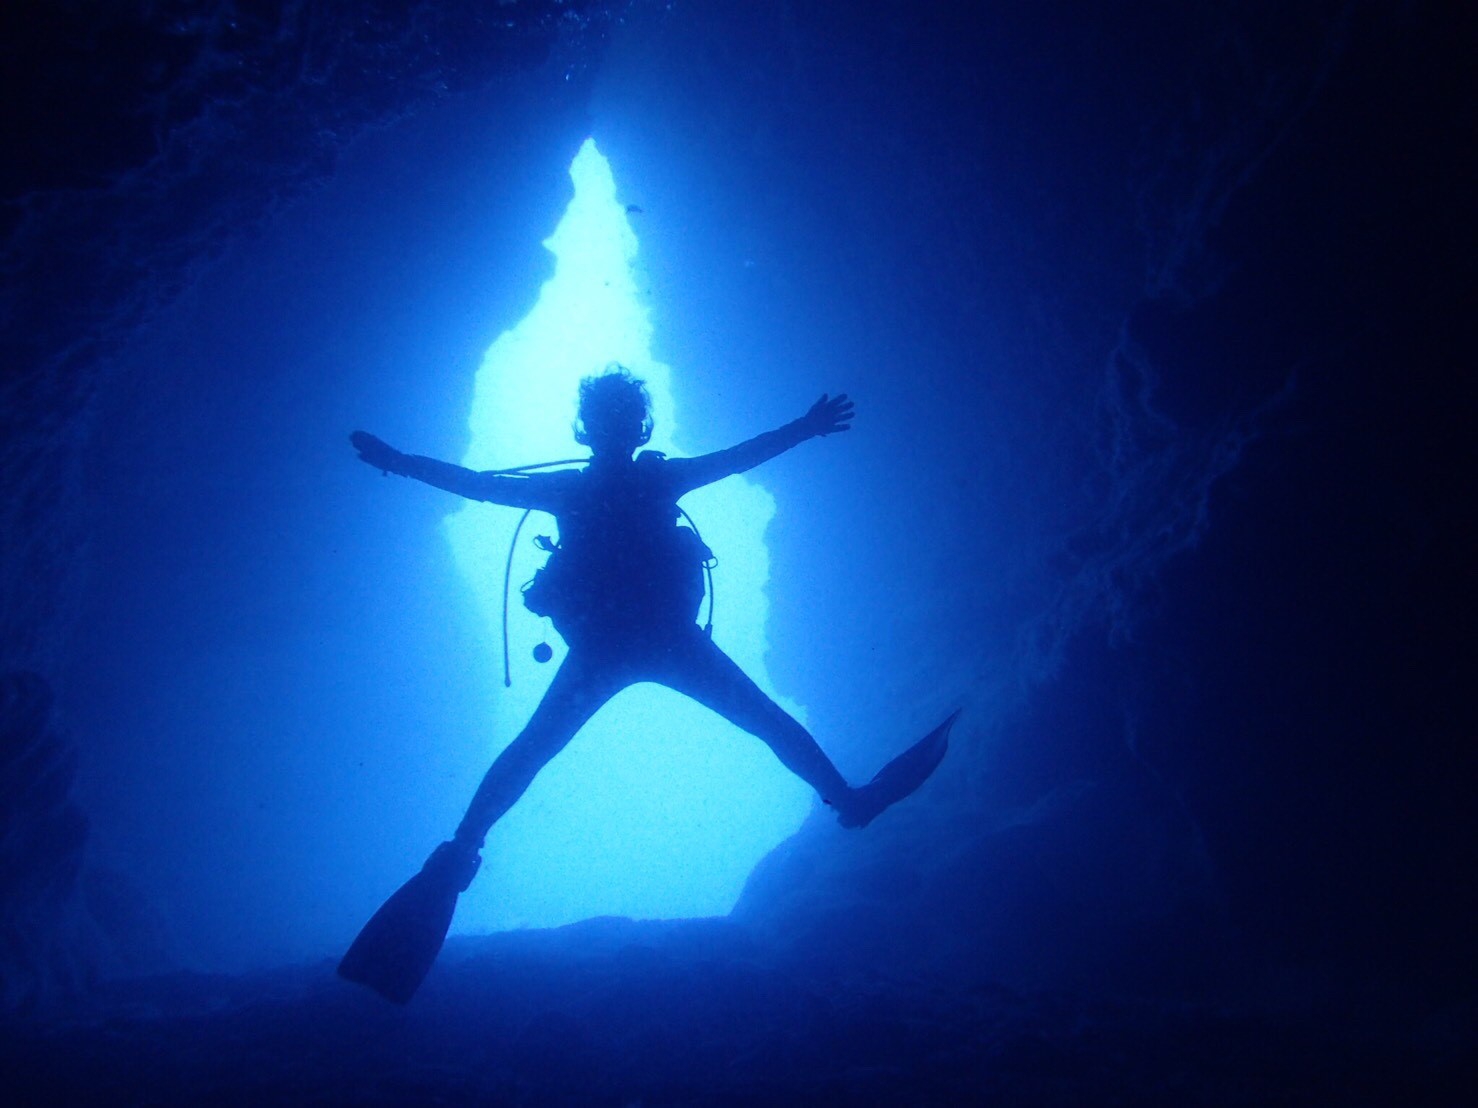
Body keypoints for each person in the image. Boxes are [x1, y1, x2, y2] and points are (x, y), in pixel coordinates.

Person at [341, 367, 952, 1002]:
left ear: (588, 428)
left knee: (534, 750)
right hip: (664, 640)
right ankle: (849, 802)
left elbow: (481, 487)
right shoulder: (658, 478)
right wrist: (805, 427)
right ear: (638, 426)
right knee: (761, 719)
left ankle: (460, 851)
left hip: (607, 646)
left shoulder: (573, 491)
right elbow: (740, 456)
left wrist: (400, 462)